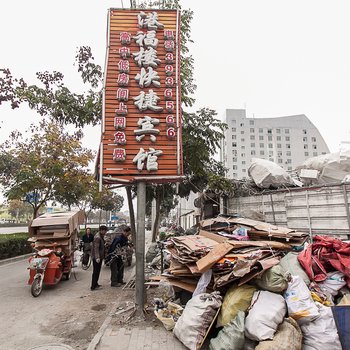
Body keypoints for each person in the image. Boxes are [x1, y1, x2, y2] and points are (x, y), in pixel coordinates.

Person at [90, 225, 107, 291]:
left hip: (99, 257)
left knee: (97, 271)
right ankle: (93, 286)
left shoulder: (100, 236)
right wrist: (97, 257)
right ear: (102, 230)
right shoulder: (98, 237)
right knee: (96, 272)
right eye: (105, 231)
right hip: (97, 257)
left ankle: (96, 283)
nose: (105, 232)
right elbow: (96, 248)